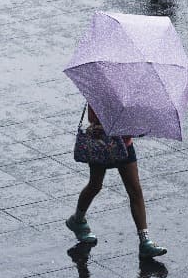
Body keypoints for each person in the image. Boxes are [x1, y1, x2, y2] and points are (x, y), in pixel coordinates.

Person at [66, 105, 167, 259]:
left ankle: (145, 241)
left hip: (125, 145)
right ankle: (77, 220)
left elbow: (136, 123)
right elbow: (92, 117)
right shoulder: (100, 87)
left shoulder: (133, 93)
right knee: (95, 185)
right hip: (102, 144)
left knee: (135, 191)